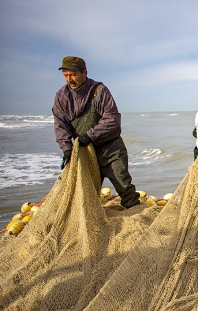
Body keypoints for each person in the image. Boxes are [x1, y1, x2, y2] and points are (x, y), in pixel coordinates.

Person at [52, 56, 139, 208]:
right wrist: (67, 148)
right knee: (87, 195)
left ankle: (134, 209)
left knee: (123, 184)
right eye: (66, 75)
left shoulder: (99, 90)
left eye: (73, 75)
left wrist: (89, 135)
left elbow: (112, 119)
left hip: (110, 149)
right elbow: (60, 125)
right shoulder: (62, 96)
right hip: (86, 153)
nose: (69, 79)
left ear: (84, 72)